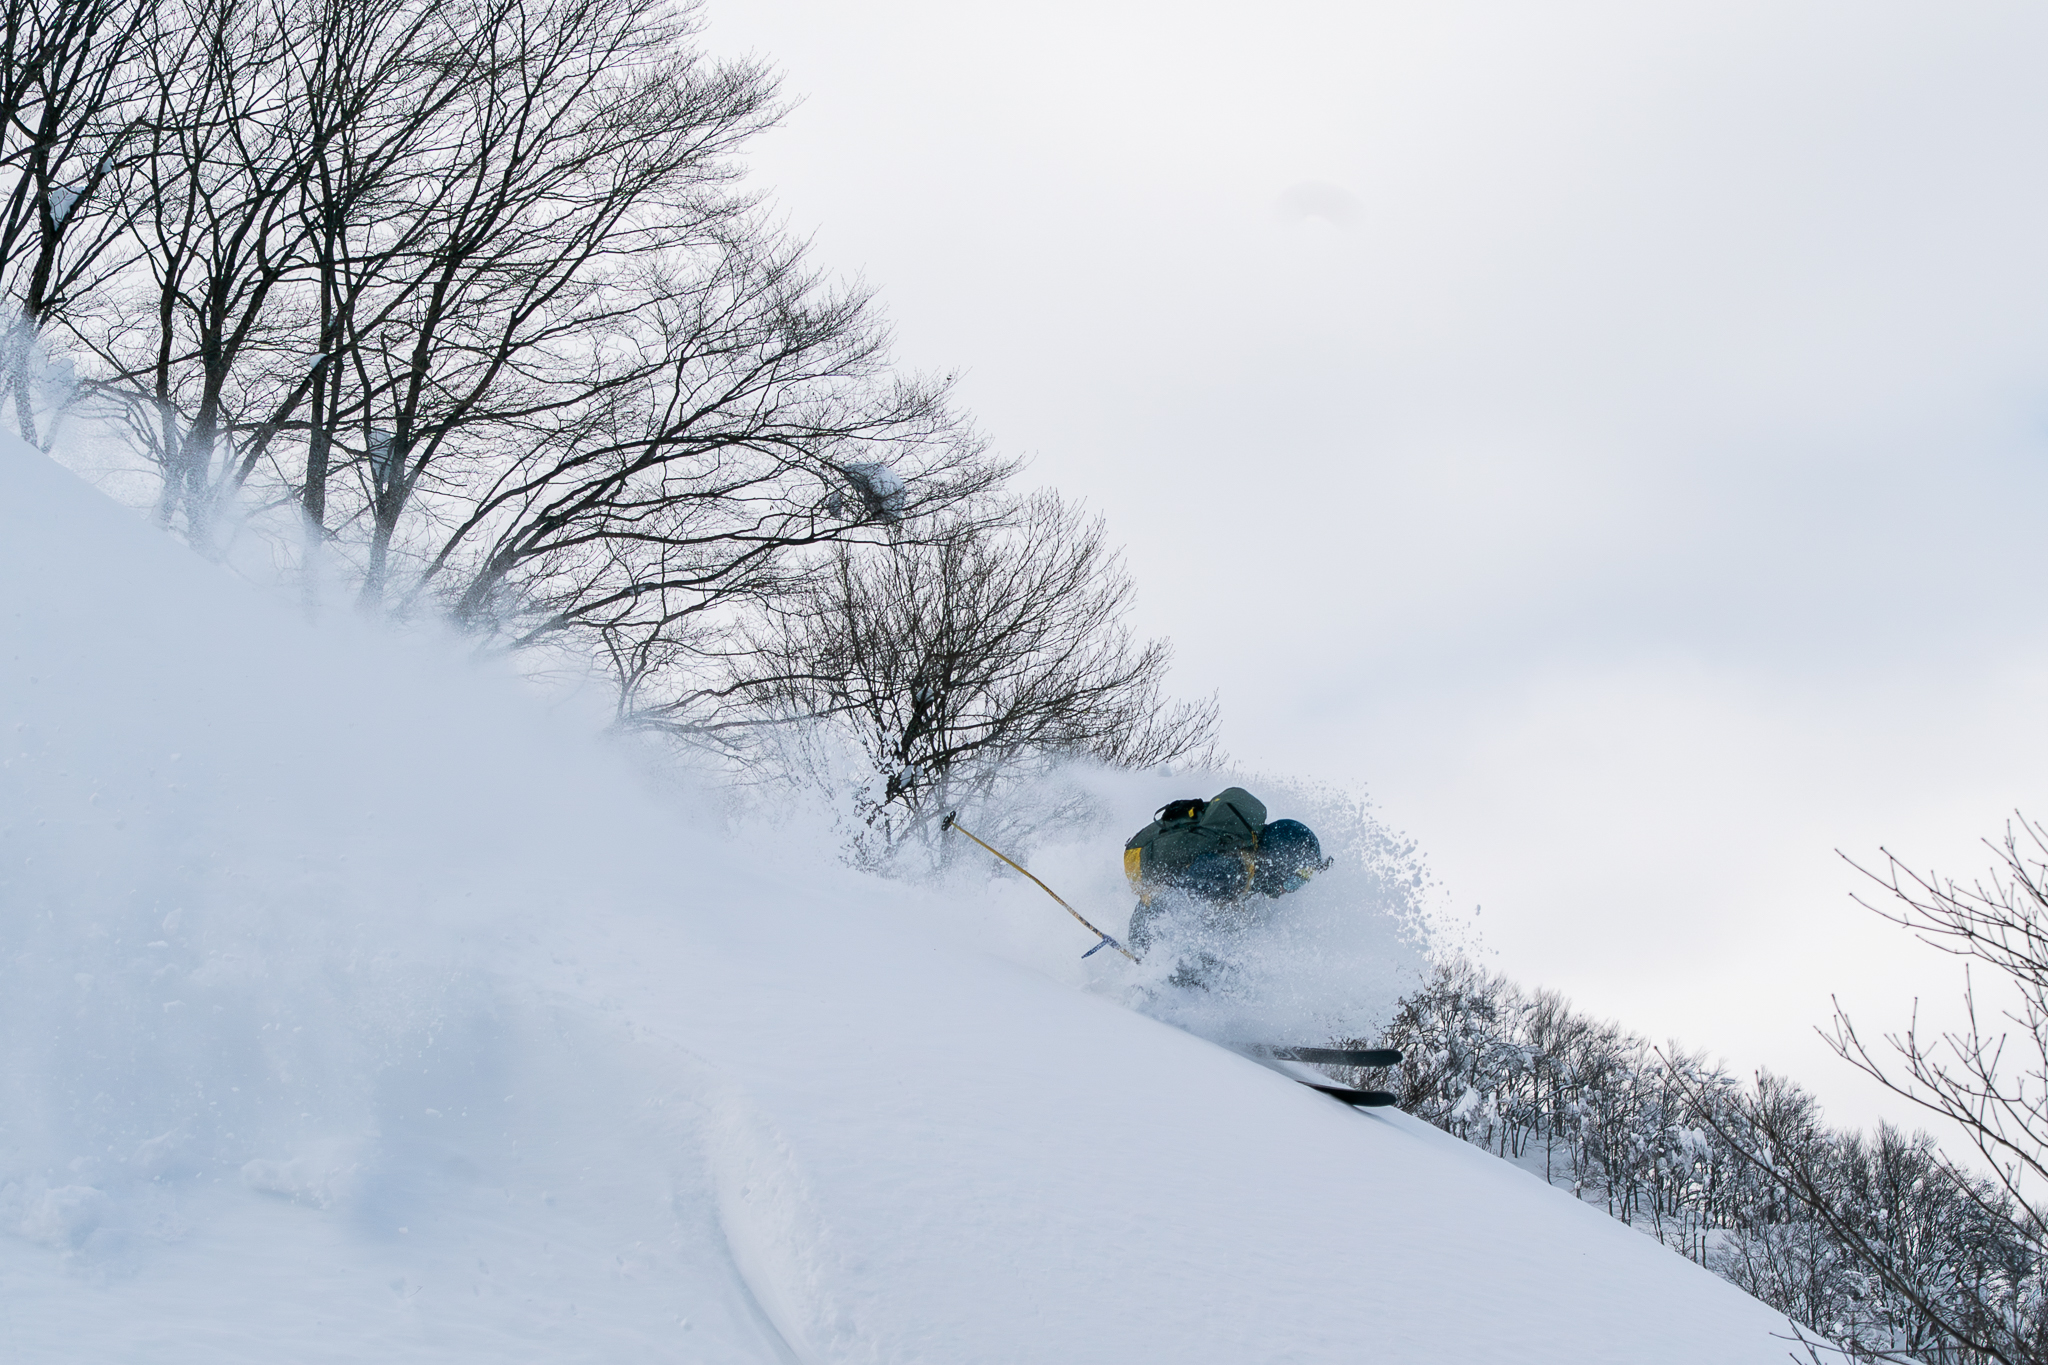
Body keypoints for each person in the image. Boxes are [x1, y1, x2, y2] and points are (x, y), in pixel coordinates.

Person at [1122, 787, 1327, 983]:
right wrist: (1145, 953)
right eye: (1293, 880)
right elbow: (1163, 899)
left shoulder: (1247, 862)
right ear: (1278, 865)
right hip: (1145, 913)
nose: (1288, 890)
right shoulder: (1228, 871)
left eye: (1300, 882)